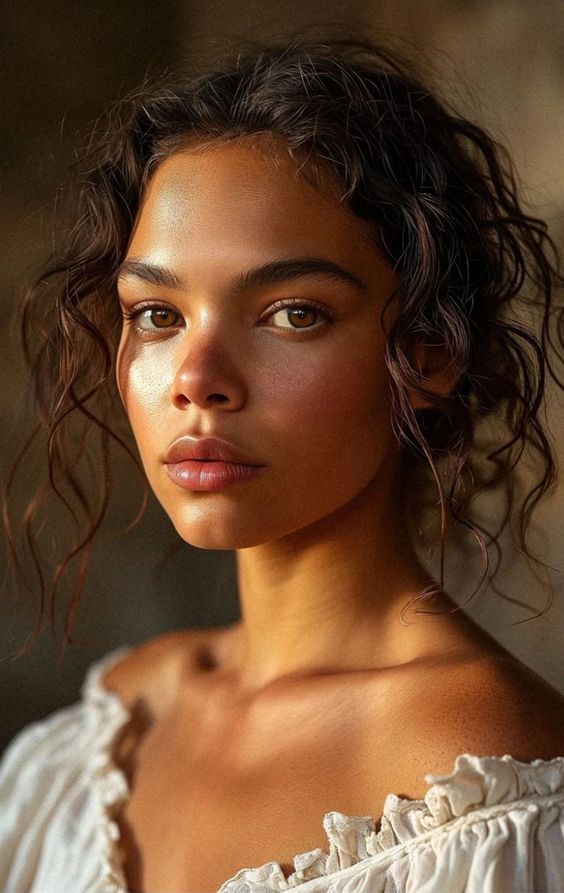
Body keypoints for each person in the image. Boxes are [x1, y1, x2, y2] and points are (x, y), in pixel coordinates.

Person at [1, 33, 564, 893]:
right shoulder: (106, 731)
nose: (198, 381)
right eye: (157, 314)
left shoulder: (480, 770)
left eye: (292, 313)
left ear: (428, 351)